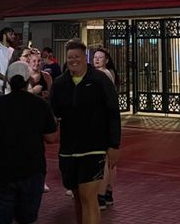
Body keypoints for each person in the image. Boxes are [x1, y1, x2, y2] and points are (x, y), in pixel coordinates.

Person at [0, 61, 58, 224]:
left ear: (8, 80)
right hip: (32, 170)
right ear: (29, 81)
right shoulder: (40, 105)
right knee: (26, 219)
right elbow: (51, 137)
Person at [50, 39, 121, 224]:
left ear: (85, 58)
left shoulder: (100, 80)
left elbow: (113, 112)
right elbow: (53, 113)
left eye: (77, 57)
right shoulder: (60, 83)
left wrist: (114, 144)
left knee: (88, 196)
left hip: (94, 148)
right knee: (78, 197)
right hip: (69, 149)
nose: (73, 60)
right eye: (70, 57)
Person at [93, 48, 119, 208]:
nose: (96, 60)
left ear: (106, 60)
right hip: (108, 120)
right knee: (110, 160)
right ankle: (108, 192)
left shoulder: (103, 75)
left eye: (100, 57)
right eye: (95, 57)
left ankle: (101, 196)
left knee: (104, 160)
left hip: (103, 121)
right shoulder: (109, 73)